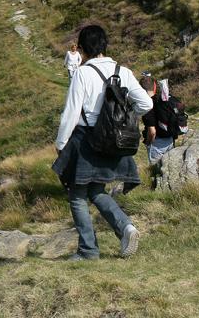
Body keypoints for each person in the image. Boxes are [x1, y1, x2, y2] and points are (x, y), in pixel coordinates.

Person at [53, 25, 152, 261]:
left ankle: (88, 251)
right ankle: (126, 228)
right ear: (105, 45)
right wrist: (127, 116)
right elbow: (146, 105)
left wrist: (61, 143)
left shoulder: (82, 73)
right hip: (113, 141)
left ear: (84, 48)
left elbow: (71, 112)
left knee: (77, 195)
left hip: (86, 140)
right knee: (97, 190)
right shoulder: (123, 71)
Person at [140, 75, 188, 165]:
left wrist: (148, 143)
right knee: (170, 166)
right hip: (170, 139)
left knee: (156, 170)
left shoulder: (147, 105)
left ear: (141, 90)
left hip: (157, 144)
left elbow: (152, 132)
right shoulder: (163, 101)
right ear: (154, 86)